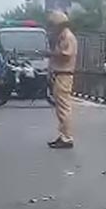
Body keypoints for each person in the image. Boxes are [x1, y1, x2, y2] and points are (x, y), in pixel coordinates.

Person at [46, 10, 77, 149]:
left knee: (64, 108)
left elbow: (66, 55)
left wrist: (51, 54)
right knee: (60, 108)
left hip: (64, 74)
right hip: (60, 74)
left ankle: (67, 137)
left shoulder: (67, 37)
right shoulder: (62, 36)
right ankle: (63, 134)